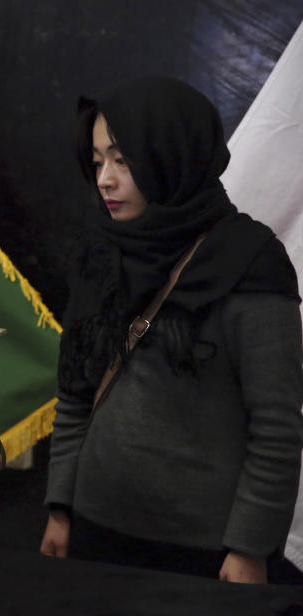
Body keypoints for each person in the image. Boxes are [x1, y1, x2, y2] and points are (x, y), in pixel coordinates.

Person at [40, 76, 303, 584]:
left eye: (122, 159)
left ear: (172, 154)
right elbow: (74, 394)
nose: (105, 180)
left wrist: (249, 548)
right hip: (95, 534)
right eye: (97, 162)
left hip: (203, 554)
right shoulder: (102, 253)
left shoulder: (250, 261)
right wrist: (59, 508)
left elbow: (276, 429)